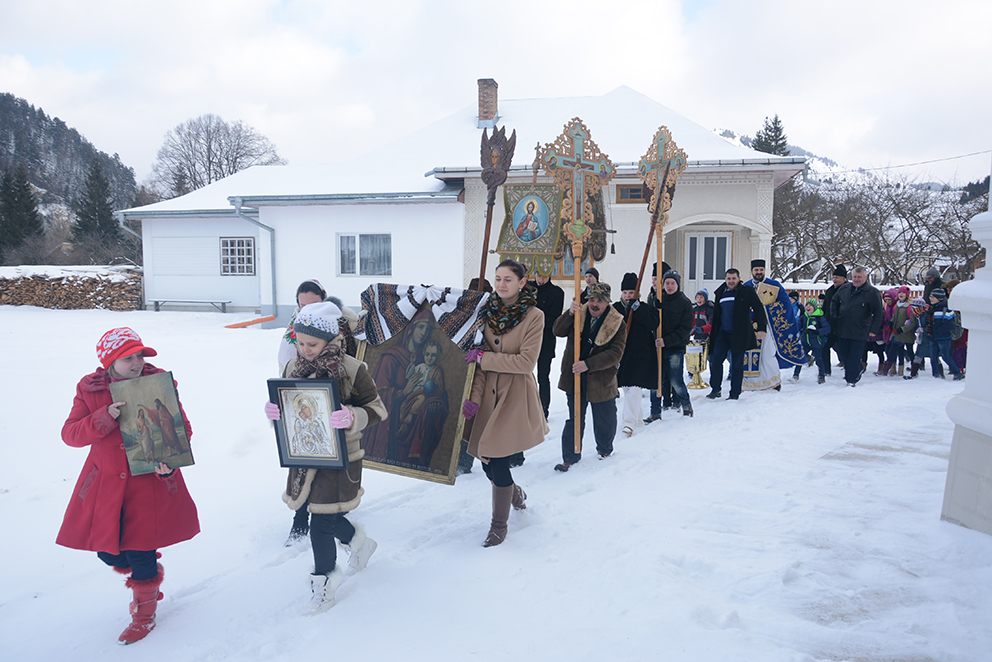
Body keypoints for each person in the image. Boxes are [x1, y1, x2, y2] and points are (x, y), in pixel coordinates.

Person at [57, 327, 199, 645]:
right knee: (108, 553)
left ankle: (144, 615)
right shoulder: (90, 388)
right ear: (109, 361)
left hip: (148, 484)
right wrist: (102, 417)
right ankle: (140, 567)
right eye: (128, 358)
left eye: (140, 356)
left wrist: (167, 460)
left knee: (141, 551)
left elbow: (182, 428)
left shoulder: (157, 383)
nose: (137, 363)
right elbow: (70, 434)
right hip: (104, 486)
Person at [265, 302, 386, 612]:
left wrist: (351, 416)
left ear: (330, 340)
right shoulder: (293, 367)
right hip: (305, 457)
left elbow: (378, 409)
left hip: (340, 460)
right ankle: (360, 544)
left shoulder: (352, 369)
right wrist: (275, 413)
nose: (304, 350)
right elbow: (288, 407)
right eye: (300, 343)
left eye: (312, 344)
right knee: (326, 515)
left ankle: (324, 586)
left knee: (320, 523)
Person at [462, 259, 549, 547]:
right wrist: (473, 399)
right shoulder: (485, 311)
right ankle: (514, 493)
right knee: (486, 463)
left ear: (522, 283)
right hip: (487, 393)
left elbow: (526, 362)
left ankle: (498, 526)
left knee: (497, 460)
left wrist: (485, 358)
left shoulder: (534, 316)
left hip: (514, 395)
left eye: (508, 279)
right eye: (498, 278)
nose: (501, 284)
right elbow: (476, 356)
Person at [553, 281, 626, 471]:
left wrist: (588, 364)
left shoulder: (617, 321)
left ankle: (605, 451)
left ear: (607, 302)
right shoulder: (578, 313)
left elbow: (615, 353)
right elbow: (557, 331)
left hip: (601, 379)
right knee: (574, 418)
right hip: (575, 377)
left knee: (605, 418)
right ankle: (570, 456)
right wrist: (569, 313)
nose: (594, 304)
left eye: (599, 300)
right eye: (592, 299)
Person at [743, 260, 805, 391]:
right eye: (756, 270)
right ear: (752, 271)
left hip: (768, 327)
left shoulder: (773, 285)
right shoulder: (746, 286)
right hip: (749, 327)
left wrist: (765, 308)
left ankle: (774, 382)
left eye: (761, 270)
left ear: (764, 270)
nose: (758, 272)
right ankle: (750, 384)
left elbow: (785, 304)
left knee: (767, 355)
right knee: (749, 355)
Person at [706, 269, 767, 400]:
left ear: (739, 278)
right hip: (722, 333)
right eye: (729, 278)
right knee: (715, 360)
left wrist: (762, 328)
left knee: (737, 364)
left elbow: (759, 308)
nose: (731, 281)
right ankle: (715, 389)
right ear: (725, 279)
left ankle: (734, 393)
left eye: (734, 278)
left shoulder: (746, 291)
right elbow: (717, 315)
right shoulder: (720, 292)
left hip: (739, 334)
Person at [616, 272, 657, 436]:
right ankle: (638, 420)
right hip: (623, 355)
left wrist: (639, 310)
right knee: (627, 388)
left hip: (641, 355)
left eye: (631, 292)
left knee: (634, 388)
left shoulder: (645, 308)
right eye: (625, 292)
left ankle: (629, 424)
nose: (627, 296)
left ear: (637, 293)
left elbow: (653, 323)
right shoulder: (615, 309)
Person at [829, 266, 883, 387]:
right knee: (843, 354)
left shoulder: (872, 292)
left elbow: (878, 312)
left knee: (854, 355)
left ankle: (851, 380)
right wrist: (835, 317)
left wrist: (874, 329)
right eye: (854, 277)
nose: (857, 279)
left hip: (860, 329)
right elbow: (834, 302)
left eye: (859, 277)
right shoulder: (844, 288)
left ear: (866, 277)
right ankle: (858, 368)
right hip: (843, 328)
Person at [654, 269, 695, 417]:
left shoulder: (685, 303)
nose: (669, 286)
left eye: (672, 283)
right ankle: (655, 412)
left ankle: (686, 405)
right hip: (658, 348)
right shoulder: (659, 300)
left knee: (676, 381)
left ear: (678, 285)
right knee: (657, 382)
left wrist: (667, 341)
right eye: (667, 283)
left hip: (675, 348)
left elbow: (685, 328)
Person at [534, 272, 565, 419]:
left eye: (544, 276)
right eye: (538, 276)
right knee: (522, 376)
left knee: (543, 376)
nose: (540, 280)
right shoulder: (528, 289)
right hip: (526, 339)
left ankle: (543, 410)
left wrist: (533, 323)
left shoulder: (556, 293)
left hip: (545, 340)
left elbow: (553, 319)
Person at [923, 288, 965, 380]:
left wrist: (937, 332)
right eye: (930, 296)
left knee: (945, 356)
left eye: (933, 297)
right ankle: (936, 375)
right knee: (933, 357)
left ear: (939, 298)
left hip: (944, 337)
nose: (930, 298)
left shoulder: (946, 308)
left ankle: (958, 373)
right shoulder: (932, 308)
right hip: (933, 337)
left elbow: (949, 325)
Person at [821, 264, 848, 376]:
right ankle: (826, 371)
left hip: (843, 326)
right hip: (830, 326)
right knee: (825, 347)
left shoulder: (848, 290)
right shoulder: (830, 291)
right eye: (834, 277)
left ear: (844, 279)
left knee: (844, 350)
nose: (835, 280)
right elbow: (825, 308)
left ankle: (852, 370)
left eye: (837, 277)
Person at [800, 299, 831, 383]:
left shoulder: (820, 318)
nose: (808, 307)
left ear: (814, 307)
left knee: (819, 360)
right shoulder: (804, 317)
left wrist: (817, 332)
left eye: (810, 305)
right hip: (805, 341)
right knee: (800, 359)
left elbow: (827, 329)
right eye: (807, 305)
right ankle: (795, 375)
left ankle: (821, 376)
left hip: (816, 343)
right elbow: (797, 326)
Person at [889, 286, 916, 377]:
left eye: (903, 293)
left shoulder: (909, 306)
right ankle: (890, 369)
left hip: (906, 333)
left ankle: (914, 369)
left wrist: (902, 329)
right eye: (900, 292)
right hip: (896, 333)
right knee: (892, 351)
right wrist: (890, 323)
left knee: (910, 351)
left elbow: (912, 322)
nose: (901, 294)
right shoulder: (897, 305)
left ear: (907, 295)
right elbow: (894, 317)